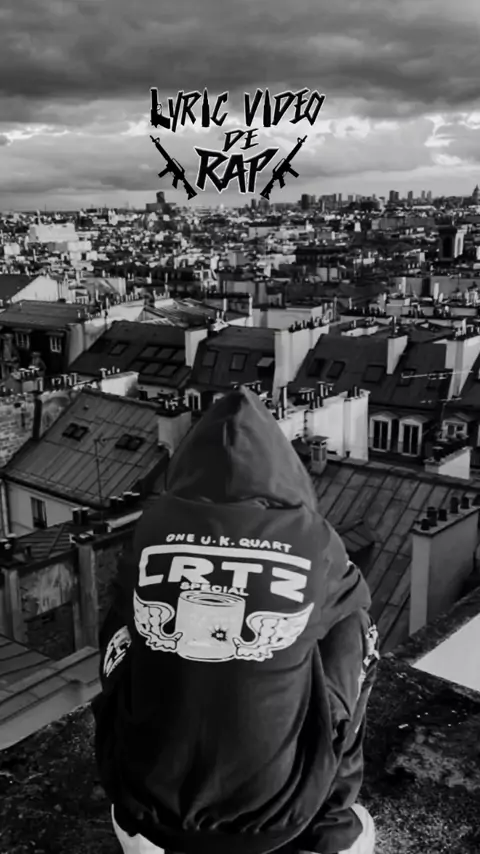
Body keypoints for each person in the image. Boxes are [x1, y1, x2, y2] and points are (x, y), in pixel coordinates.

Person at [91, 386, 379, 854]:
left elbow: (124, 608)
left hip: (143, 804)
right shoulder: (312, 535)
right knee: (357, 629)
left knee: (123, 622)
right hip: (278, 815)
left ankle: (138, 821)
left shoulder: (155, 523)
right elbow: (354, 600)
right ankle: (331, 830)